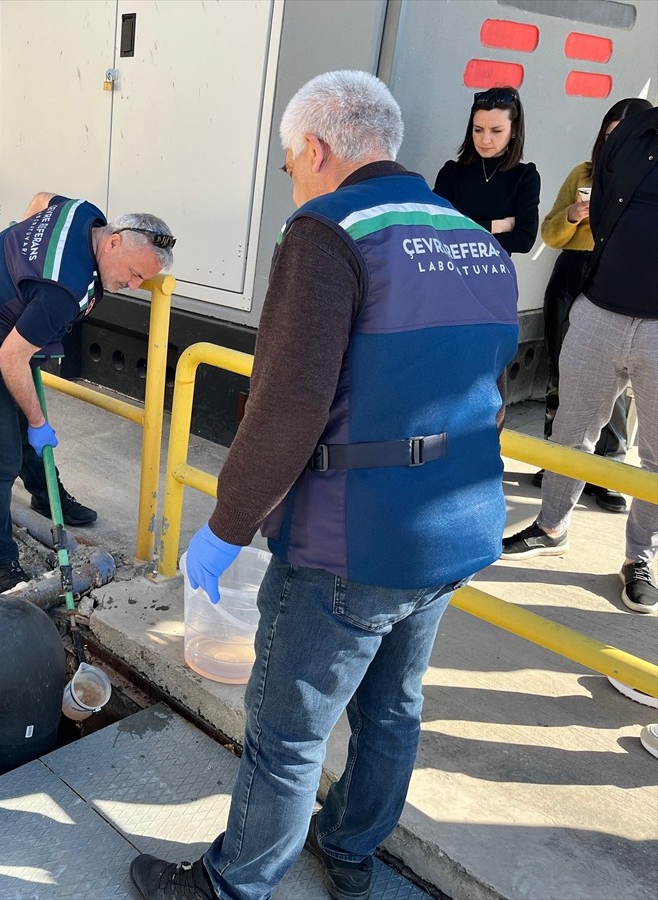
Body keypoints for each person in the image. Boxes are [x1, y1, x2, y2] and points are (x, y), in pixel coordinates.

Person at [129, 71, 519, 900]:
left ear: (315, 148)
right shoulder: (471, 237)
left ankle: (234, 885)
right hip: (456, 525)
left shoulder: (327, 232)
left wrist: (226, 526)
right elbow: (486, 376)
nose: (291, 179)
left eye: (287, 163)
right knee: (392, 710)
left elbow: (288, 406)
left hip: (352, 539)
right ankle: (349, 851)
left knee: (289, 732)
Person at [0, 194, 173, 592]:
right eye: (133, 273)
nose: (133, 286)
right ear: (113, 242)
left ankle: (46, 497)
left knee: (21, 430)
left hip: (4, 332)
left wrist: (16, 269)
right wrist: (38, 421)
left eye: (141, 281)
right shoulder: (63, 290)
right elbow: (12, 359)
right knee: (1, 454)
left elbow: (41, 199)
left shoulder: (84, 213)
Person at [501, 105, 658, 615]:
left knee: (655, 459)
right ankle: (551, 525)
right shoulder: (625, 145)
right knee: (571, 433)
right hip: (598, 313)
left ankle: (641, 558)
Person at [534, 98, 653, 513]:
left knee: (621, 395)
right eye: (610, 132)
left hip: (624, 291)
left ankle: (611, 469)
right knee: (563, 376)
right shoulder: (583, 175)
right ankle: (556, 469)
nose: (617, 140)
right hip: (575, 276)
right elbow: (548, 234)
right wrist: (572, 215)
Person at [433, 86, 541, 255]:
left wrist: (462, 231)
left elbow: (524, 241)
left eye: (496, 131)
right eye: (478, 129)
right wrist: (493, 226)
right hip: (449, 272)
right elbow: (437, 228)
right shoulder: (452, 172)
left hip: (493, 275)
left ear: (514, 130)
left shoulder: (525, 176)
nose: (485, 139)